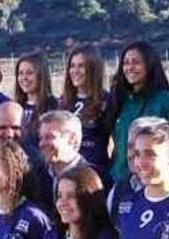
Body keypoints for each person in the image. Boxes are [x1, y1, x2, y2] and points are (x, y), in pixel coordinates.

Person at [109, 41, 169, 182]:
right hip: (119, 180)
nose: (130, 67)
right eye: (126, 63)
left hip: (152, 179)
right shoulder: (120, 100)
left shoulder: (167, 101)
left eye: (136, 62)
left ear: (149, 65)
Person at [60, 44, 113, 181]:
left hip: (95, 174)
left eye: (81, 66)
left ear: (93, 69)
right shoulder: (62, 102)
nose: (75, 71)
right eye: (72, 66)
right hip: (66, 174)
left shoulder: (107, 101)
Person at [33, 110, 101, 212]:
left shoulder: (96, 178)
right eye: (41, 138)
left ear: (71, 140)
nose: (42, 144)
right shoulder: (35, 176)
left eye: (49, 137)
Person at [15, 52, 58, 150]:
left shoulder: (54, 106)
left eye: (29, 73)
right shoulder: (15, 107)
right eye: (20, 73)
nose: (24, 78)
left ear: (41, 75)